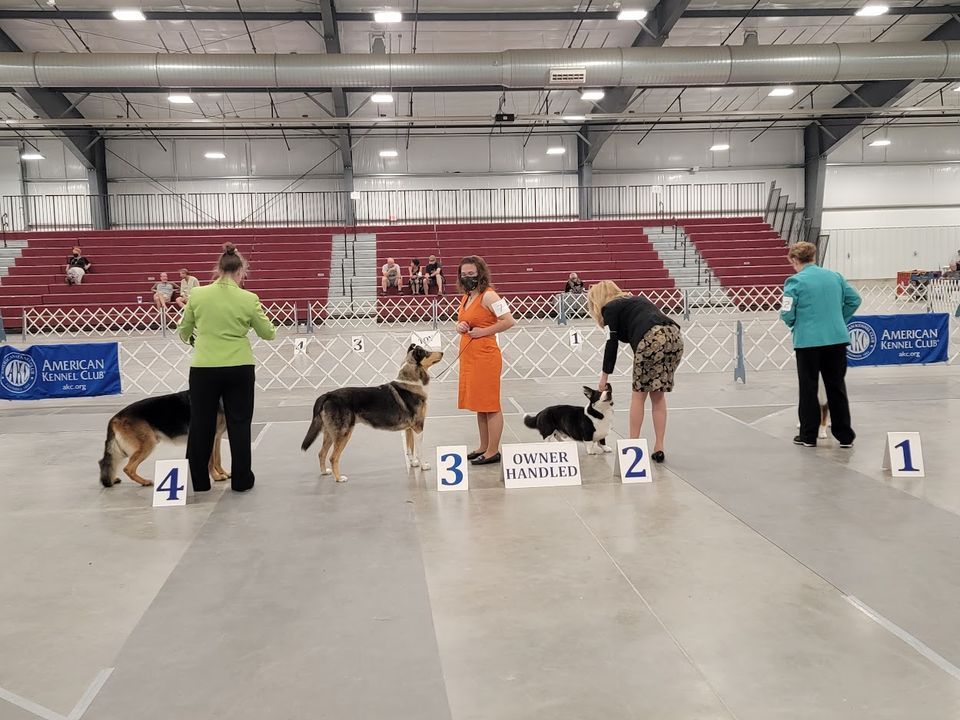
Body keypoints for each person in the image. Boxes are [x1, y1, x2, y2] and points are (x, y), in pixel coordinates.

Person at [178, 243, 277, 492]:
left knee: (201, 423)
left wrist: (197, 341)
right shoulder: (249, 298)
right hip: (239, 367)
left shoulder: (198, 295)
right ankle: (242, 480)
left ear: (217, 269)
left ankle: (200, 482)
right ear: (241, 272)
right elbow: (268, 334)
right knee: (239, 423)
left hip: (203, 367)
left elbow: (183, 332)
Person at [587, 280, 684, 463]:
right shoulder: (635, 300)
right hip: (674, 337)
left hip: (651, 339)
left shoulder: (609, 308)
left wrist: (604, 376)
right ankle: (659, 446)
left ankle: (633, 446)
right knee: (658, 396)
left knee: (638, 396)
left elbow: (611, 343)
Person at [780, 241, 861, 448]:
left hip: (808, 342)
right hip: (836, 340)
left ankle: (808, 435)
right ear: (813, 257)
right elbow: (855, 300)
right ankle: (845, 436)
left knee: (808, 387)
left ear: (795, 260)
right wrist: (839, 319)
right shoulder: (835, 277)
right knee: (836, 386)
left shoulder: (794, 281)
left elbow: (787, 313)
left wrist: (795, 324)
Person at [455, 255, 516, 465]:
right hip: (470, 357)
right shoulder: (467, 296)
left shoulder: (489, 296)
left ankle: (492, 451)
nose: (467, 277)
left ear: (480, 273)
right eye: (464, 274)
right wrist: (460, 327)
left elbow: (509, 321)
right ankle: (483, 446)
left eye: (471, 274)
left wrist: (484, 332)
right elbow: (462, 321)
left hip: (486, 356)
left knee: (490, 404)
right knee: (479, 404)